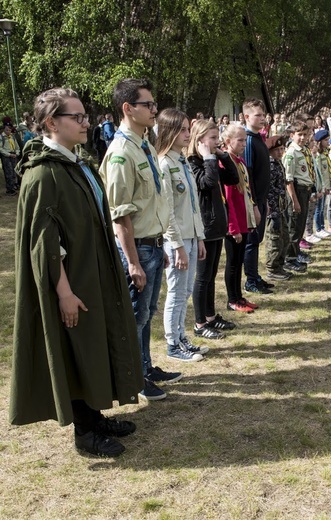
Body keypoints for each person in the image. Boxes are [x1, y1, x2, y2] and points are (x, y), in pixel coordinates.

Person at [10, 88, 142, 457]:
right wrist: (63, 291)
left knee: (93, 345)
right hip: (70, 281)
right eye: (77, 117)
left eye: (85, 116)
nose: (86, 123)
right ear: (52, 122)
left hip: (92, 271)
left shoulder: (75, 163)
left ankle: (95, 415)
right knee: (77, 349)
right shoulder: (43, 175)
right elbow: (44, 245)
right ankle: (85, 433)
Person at [100, 78, 180, 402]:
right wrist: (133, 262)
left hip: (153, 244)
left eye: (153, 104)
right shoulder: (121, 153)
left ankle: (145, 367)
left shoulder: (144, 143)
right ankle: (132, 378)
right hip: (139, 249)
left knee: (145, 315)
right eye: (148, 105)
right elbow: (120, 216)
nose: (154, 110)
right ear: (128, 108)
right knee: (135, 317)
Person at [156, 108, 208, 362]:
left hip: (190, 235)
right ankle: (172, 343)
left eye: (189, 129)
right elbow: (167, 211)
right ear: (169, 131)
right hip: (176, 239)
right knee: (176, 292)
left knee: (186, 290)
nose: (189, 134)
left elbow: (193, 204)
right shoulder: (164, 163)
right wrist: (176, 246)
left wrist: (199, 237)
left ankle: (181, 335)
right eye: (183, 130)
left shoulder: (181, 160)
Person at [187, 120, 240, 338]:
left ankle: (210, 317)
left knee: (210, 276)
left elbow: (233, 178)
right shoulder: (193, 162)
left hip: (216, 225)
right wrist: (209, 157)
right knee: (203, 277)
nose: (216, 141)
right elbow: (207, 183)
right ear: (199, 140)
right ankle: (200, 323)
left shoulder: (210, 159)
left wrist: (222, 155)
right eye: (212, 138)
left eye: (217, 137)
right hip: (204, 227)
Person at [222, 124, 259, 312]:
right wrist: (233, 227)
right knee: (233, 262)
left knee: (240, 260)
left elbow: (246, 192)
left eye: (245, 140)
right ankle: (232, 299)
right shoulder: (226, 162)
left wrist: (251, 217)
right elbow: (228, 199)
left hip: (243, 219)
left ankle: (238, 296)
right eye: (240, 140)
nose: (244, 143)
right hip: (234, 222)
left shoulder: (240, 161)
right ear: (228, 142)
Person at [242, 98, 273, 294]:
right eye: (257, 115)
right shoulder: (248, 141)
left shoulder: (259, 138)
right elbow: (248, 176)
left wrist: (265, 200)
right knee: (251, 242)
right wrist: (253, 204)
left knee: (258, 239)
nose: (262, 119)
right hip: (252, 202)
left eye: (263, 115)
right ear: (246, 117)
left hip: (261, 199)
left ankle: (255, 275)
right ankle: (250, 280)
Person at [284, 121, 313, 269]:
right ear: (292, 135)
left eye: (305, 135)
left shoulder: (304, 150)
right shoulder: (291, 153)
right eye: (299, 135)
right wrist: (295, 201)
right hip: (296, 191)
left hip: (305, 190)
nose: (302, 138)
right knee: (294, 226)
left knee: (300, 225)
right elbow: (288, 179)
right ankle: (289, 258)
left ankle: (296, 254)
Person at [265, 135, 294, 279]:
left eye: (282, 149)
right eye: (276, 150)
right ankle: (272, 268)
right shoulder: (269, 165)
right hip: (273, 208)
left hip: (281, 206)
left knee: (284, 237)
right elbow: (268, 189)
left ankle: (280, 266)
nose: (280, 152)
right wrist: (272, 211)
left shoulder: (278, 163)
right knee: (274, 239)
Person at [0, 122, 20, 195]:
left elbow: (17, 146)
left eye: (9, 130)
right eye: (6, 130)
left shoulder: (12, 137)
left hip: (13, 155)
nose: (8, 131)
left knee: (14, 171)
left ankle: (14, 185)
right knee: (9, 172)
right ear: (3, 130)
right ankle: (9, 189)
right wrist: (9, 154)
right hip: (6, 156)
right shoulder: (1, 137)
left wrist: (17, 153)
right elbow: (1, 148)